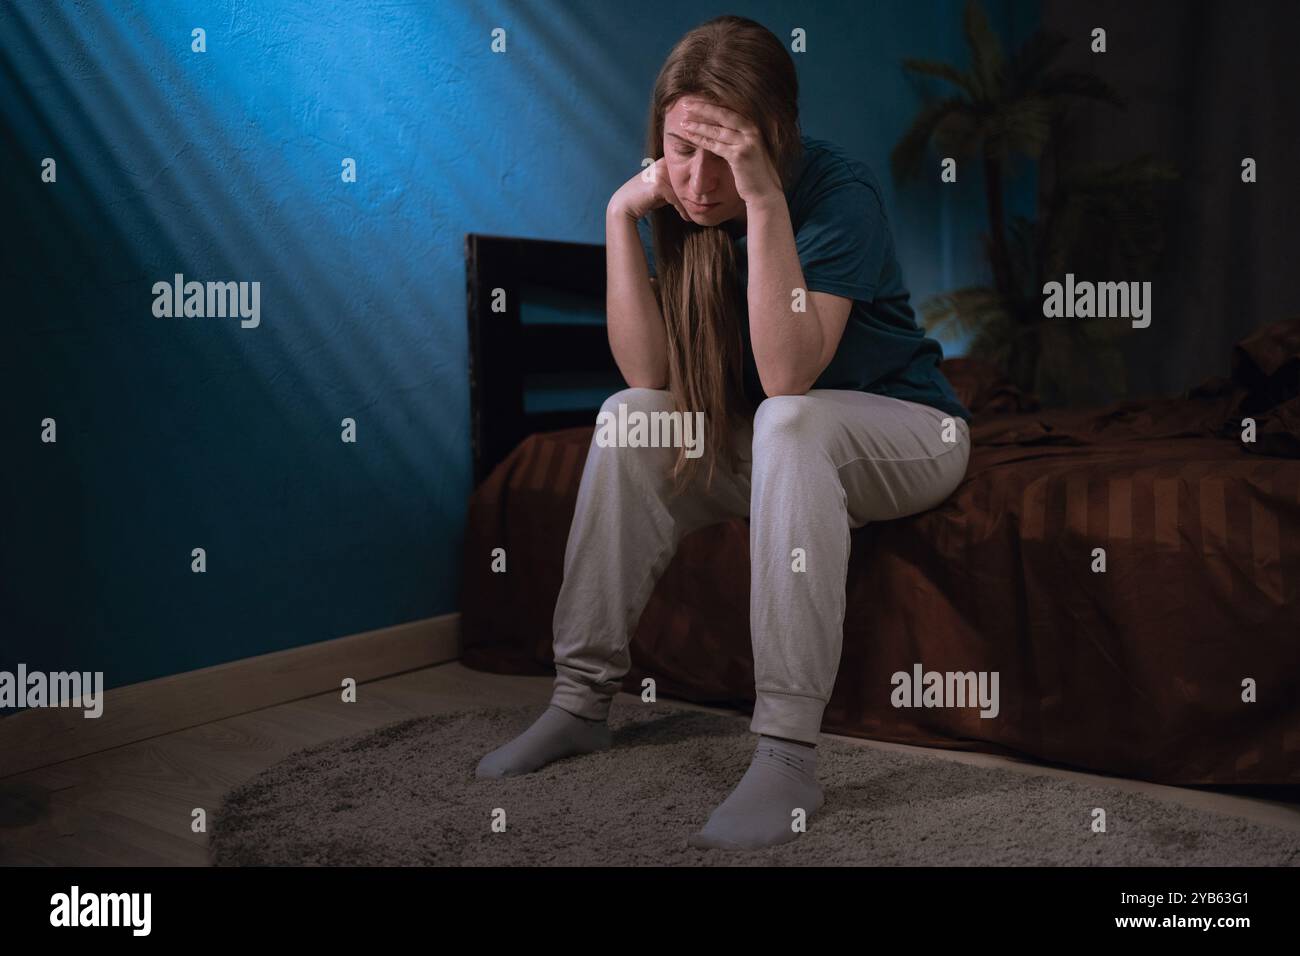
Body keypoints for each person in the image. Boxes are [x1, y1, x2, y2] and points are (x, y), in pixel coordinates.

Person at [476, 14, 972, 850]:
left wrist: (763, 195)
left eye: (723, 151)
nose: (699, 180)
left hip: (914, 433)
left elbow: (787, 375)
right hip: (793, 449)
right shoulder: (676, 203)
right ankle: (579, 702)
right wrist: (617, 218)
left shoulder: (835, 193)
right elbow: (646, 376)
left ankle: (784, 757)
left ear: (774, 135)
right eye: (679, 148)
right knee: (626, 418)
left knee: (787, 416)